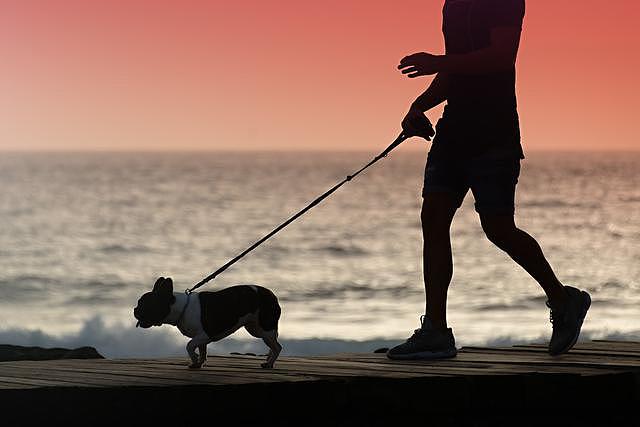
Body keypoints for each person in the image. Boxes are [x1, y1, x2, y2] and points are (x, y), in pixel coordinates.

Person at [387, 0, 591, 360]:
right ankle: (435, 329)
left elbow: (500, 57)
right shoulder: (453, 5)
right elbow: (455, 71)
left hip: (494, 133)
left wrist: (439, 61)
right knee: (432, 218)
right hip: (454, 132)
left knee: (498, 227)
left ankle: (563, 300)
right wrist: (419, 106)